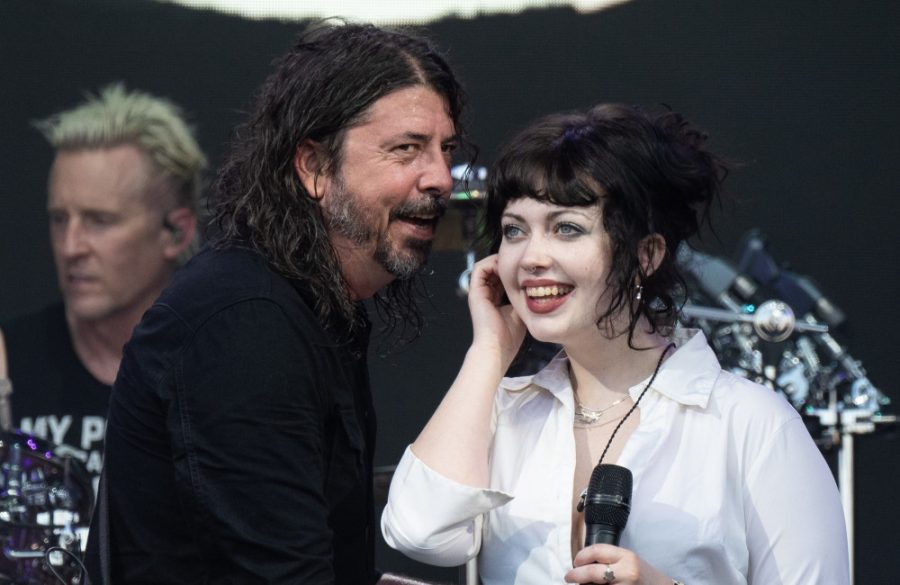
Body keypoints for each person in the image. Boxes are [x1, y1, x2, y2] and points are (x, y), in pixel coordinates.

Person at [382, 104, 850, 584]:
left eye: (567, 228)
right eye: (514, 231)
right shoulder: (502, 411)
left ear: (646, 254)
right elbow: (418, 532)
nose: (531, 257)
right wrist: (490, 352)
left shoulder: (750, 423)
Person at [84, 22, 469, 585]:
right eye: (406, 149)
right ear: (314, 167)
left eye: (446, 150)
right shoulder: (246, 324)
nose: (440, 178)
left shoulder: (309, 306)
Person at [0, 84, 205, 492]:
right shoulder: (6, 363)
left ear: (176, 232)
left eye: (100, 220)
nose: (71, 247)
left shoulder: (216, 372)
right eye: (60, 219)